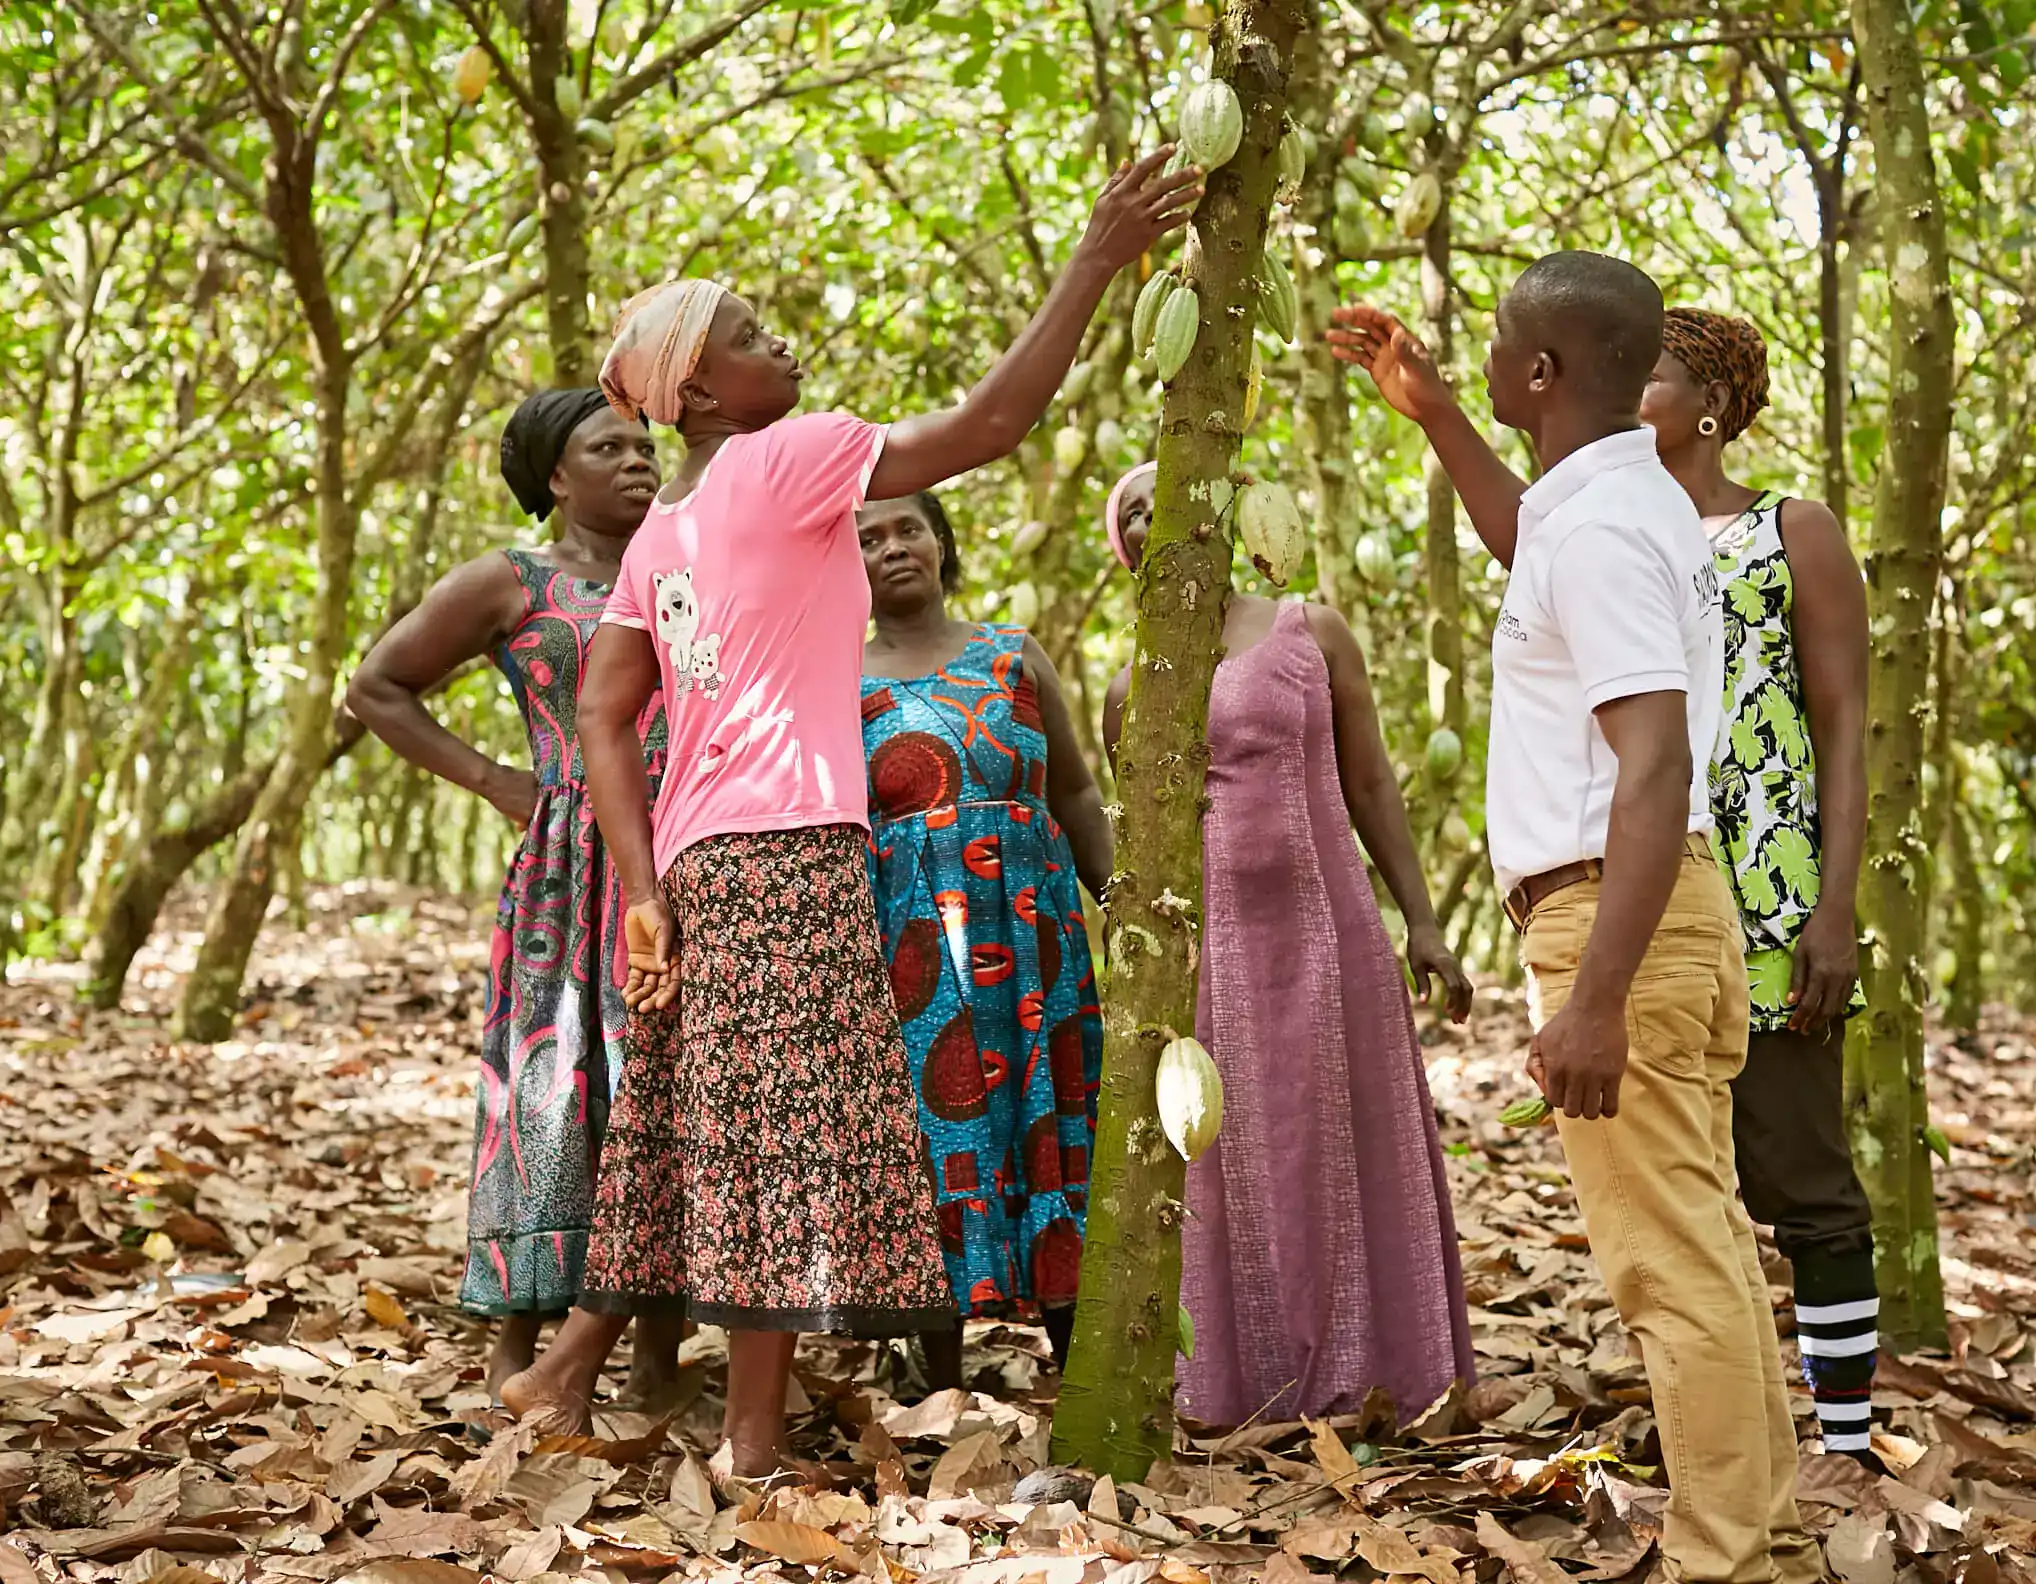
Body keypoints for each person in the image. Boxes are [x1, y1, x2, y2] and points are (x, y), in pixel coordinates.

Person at [499, 146, 1201, 1476]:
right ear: (701, 393)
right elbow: (989, 428)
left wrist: (645, 887)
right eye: (753, 337)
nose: (785, 344)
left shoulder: (662, 536)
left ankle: (559, 1374)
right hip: (794, 851)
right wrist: (1096, 261)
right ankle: (749, 1443)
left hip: (704, 861)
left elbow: (603, 711)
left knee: (686, 1122)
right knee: (793, 1134)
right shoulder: (790, 459)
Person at [1330, 256, 1820, 1584]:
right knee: (1705, 1242)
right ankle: (1763, 1543)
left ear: (1542, 374)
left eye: (1495, 351)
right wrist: (1430, 410)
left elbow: (1652, 762)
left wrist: (1596, 996)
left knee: (1671, 1268)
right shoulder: (1611, 501)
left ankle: (1735, 1561)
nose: (1486, 363)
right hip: (1664, 912)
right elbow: (1527, 544)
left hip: (1625, 917)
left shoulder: (1608, 525)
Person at [1101, 460, 1477, 1429]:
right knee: (1228, 1154)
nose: (1150, 521)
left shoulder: (1311, 630)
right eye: (1129, 515)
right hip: (1212, 960)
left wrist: (1423, 922)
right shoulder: (1130, 678)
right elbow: (1146, 842)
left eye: (1164, 499)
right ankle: (1245, 1386)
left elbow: (1375, 785)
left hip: (1331, 928)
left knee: (1352, 1133)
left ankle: (1388, 1375)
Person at [344, 388, 682, 1405]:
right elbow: (377, 686)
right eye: (606, 448)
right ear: (554, 478)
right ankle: (518, 1347)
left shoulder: (688, 568)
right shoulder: (512, 578)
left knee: (658, 1093)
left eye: (643, 444)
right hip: (570, 863)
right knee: (552, 1088)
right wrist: (499, 780)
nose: (637, 461)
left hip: (681, 852)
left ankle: (659, 1362)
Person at [1642, 307, 1876, 1456]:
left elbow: (1841, 722)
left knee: (1804, 1178)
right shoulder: (1611, 529)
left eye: (1649, 374)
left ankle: (1843, 1444)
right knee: (1684, 1183)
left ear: (1711, 408)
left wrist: (1836, 909)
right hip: (1650, 890)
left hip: (1772, 893)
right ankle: (1726, 1437)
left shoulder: (1793, 529)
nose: (1624, 391)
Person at [856, 492, 1112, 1388]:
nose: (893, 549)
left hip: (1039, 931)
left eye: (908, 529)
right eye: (867, 540)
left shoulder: (1012, 652)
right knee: (942, 1125)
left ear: (942, 541)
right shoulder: (843, 683)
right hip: (918, 943)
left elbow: (1076, 792)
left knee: (1059, 1116)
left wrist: (1118, 894)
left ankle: (1080, 1362)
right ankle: (938, 1377)